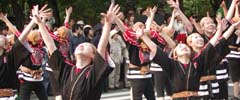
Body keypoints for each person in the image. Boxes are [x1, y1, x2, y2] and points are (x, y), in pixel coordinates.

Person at [135, 17, 240, 100]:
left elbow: (212, 45)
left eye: (185, 47)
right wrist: (143, 37)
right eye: (180, 47)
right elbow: (156, 50)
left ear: (190, 52)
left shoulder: (197, 63)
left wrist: (219, 31)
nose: (183, 47)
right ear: (175, 54)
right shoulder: (172, 64)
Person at [31, 3, 119, 100]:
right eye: (81, 45)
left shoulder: (93, 72)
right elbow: (51, 45)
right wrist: (40, 23)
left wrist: (107, 25)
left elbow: (101, 47)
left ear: (93, 56)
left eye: (86, 46)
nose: (82, 45)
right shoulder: (67, 69)